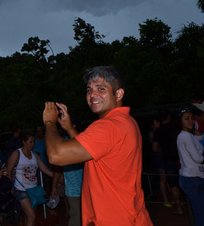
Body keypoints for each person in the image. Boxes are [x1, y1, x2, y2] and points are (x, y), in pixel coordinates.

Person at [42, 66, 152, 226]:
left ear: (119, 93)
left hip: (113, 219)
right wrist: (69, 128)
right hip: (130, 216)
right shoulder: (125, 121)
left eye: (101, 89)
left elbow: (56, 155)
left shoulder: (108, 126)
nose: (92, 95)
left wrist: (49, 122)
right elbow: (91, 149)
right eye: (89, 90)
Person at [7, 131, 54, 226]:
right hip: (21, 189)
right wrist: (9, 187)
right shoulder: (17, 154)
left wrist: (57, 176)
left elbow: (44, 169)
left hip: (33, 189)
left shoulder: (35, 156)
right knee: (32, 216)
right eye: (30, 142)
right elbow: (9, 170)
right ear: (24, 142)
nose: (32, 144)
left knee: (29, 217)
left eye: (33, 142)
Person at [176, 108, 204, 226]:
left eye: (191, 118)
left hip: (191, 177)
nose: (190, 121)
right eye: (186, 119)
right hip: (192, 178)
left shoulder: (186, 136)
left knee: (201, 213)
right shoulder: (186, 136)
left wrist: (194, 129)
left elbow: (200, 137)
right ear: (180, 121)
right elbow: (198, 158)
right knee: (202, 215)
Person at [51, 114, 84, 226]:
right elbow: (57, 166)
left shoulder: (85, 140)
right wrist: (54, 187)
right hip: (73, 191)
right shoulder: (64, 143)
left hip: (87, 189)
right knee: (76, 219)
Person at [152, 109, 183, 214]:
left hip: (168, 159)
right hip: (181, 157)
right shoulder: (176, 128)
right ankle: (186, 203)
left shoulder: (158, 131)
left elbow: (155, 148)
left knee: (173, 183)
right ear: (168, 117)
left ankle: (179, 208)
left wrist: (164, 149)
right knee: (183, 180)